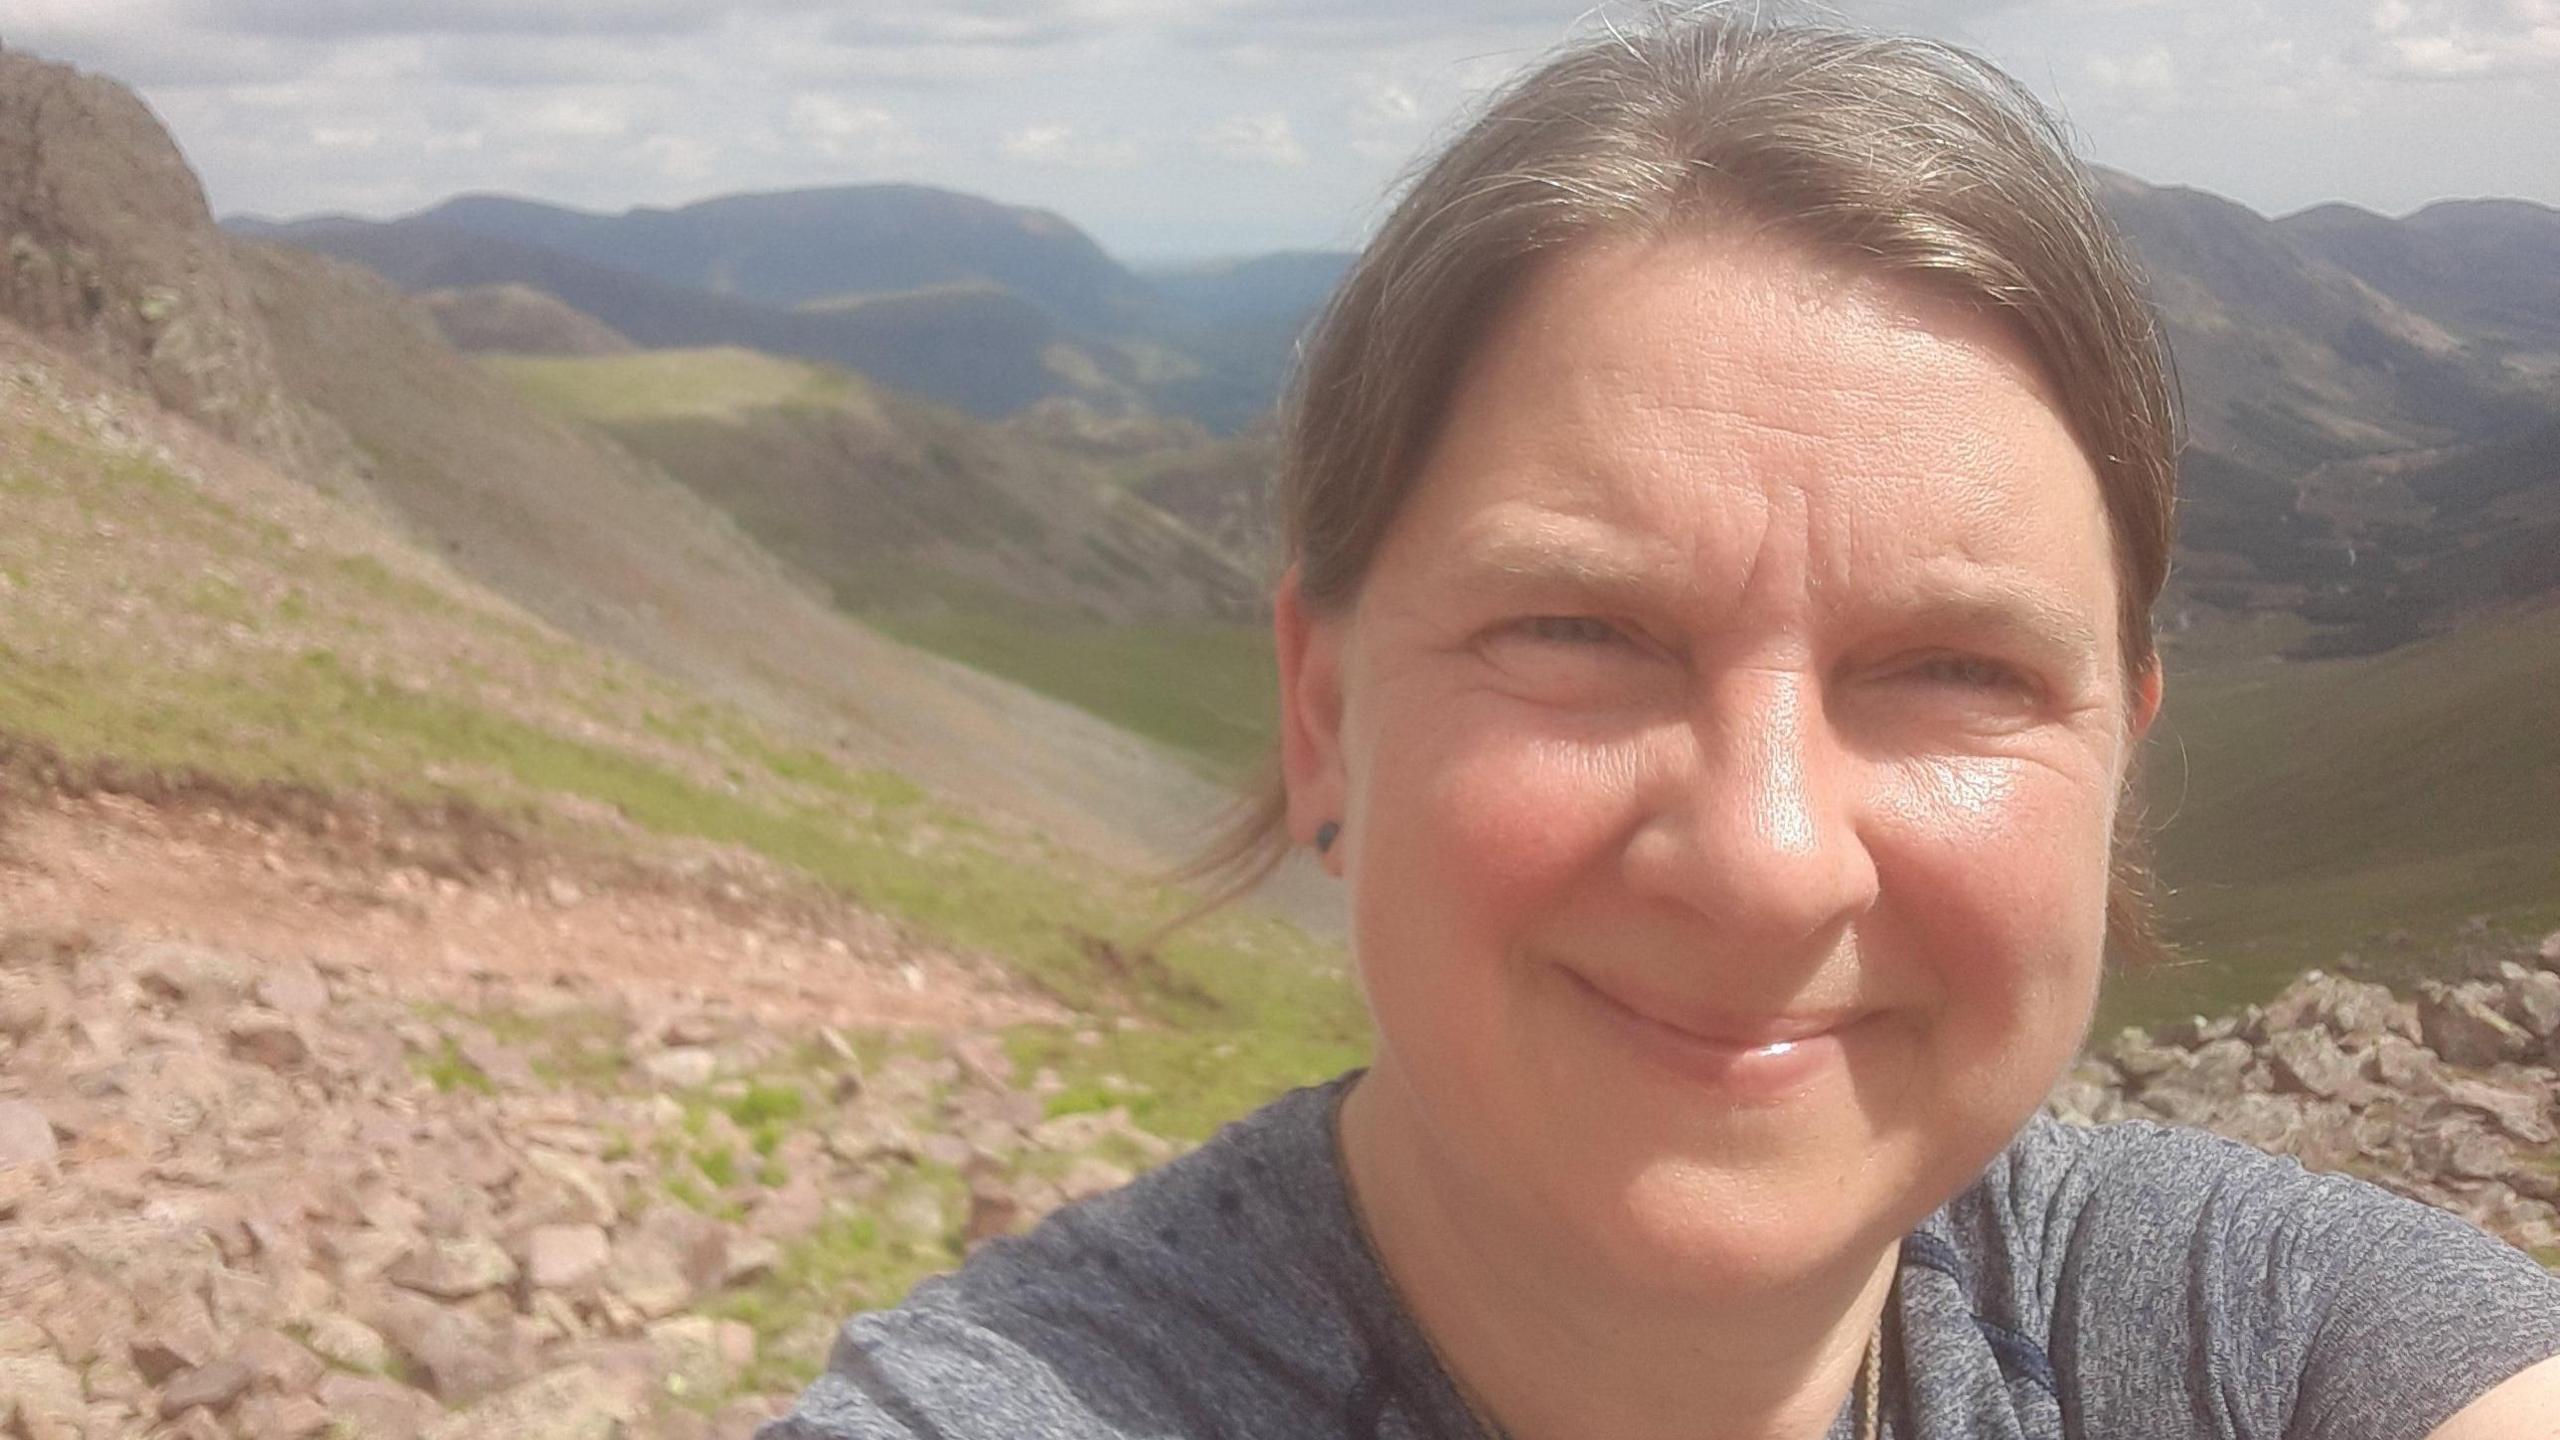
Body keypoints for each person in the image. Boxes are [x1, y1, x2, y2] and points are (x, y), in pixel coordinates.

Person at [763, 10, 2560, 1438]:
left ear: (2116, 768)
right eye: (1578, 630)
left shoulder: (2268, 1336)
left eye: (1961, 670)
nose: (1767, 861)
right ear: (1323, 719)